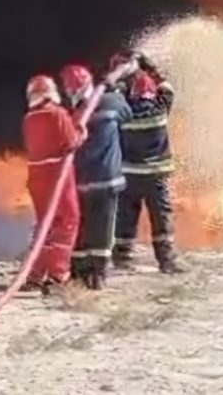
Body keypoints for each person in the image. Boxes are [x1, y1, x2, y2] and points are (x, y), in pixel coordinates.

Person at [109, 50, 188, 274]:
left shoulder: (123, 112)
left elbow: (108, 96)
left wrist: (118, 76)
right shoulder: (161, 107)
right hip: (156, 176)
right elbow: (167, 88)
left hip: (129, 174)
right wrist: (149, 66)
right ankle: (167, 260)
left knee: (126, 216)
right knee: (161, 217)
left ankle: (122, 258)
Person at [61, 63, 133, 290]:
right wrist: (118, 90)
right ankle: (98, 275)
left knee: (80, 228)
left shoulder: (69, 115)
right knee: (102, 229)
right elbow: (127, 116)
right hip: (107, 182)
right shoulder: (112, 102)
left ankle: (78, 274)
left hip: (80, 184)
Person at [20, 74, 85, 291]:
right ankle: (58, 274)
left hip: (36, 176)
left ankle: (35, 274)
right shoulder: (57, 113)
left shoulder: (29, 118)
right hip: (57, 175)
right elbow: (71, 142)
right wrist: (80, 131)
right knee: (66, 221)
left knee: (44, 226)